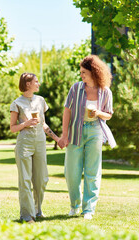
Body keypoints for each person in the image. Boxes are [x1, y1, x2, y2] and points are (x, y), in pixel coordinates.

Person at [58, 55, 116, 220]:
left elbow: (109, 115)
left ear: (94, 72)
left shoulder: (105, 92)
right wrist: (64, 134)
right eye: (81, 72)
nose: (81, 75)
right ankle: (74, 205)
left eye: (84, 72)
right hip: (75, 131)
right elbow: (67, 111)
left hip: (95, 131)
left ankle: (88, 209)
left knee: (93, 171)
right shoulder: (76, 88)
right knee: (71, 172)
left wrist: (98, 113)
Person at [10, 73, 60, 223]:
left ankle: (38, 210)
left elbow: (43, 123)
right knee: (25, 179)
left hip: (40, 142)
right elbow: (12, 128)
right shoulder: (16, 103)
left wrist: (57, 138)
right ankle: (27, 215)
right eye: (36, 82)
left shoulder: (41, 101)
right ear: (27, 84)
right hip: (24, 143)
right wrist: (25, 124)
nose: (38, 84)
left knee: (42, 179)